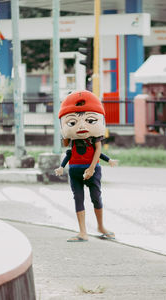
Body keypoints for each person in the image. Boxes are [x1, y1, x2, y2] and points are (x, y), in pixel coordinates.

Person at [55, 90, 117, 242]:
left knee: (96, 197)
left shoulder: (94, 136)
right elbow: (66, 144)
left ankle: (101, 226)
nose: (81, 125)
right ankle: (83, 231)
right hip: (75, 170)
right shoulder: (74, 137)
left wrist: (91, 168)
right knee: (78, 198)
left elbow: (98, 151)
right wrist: (64, 131)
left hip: (92, 170)